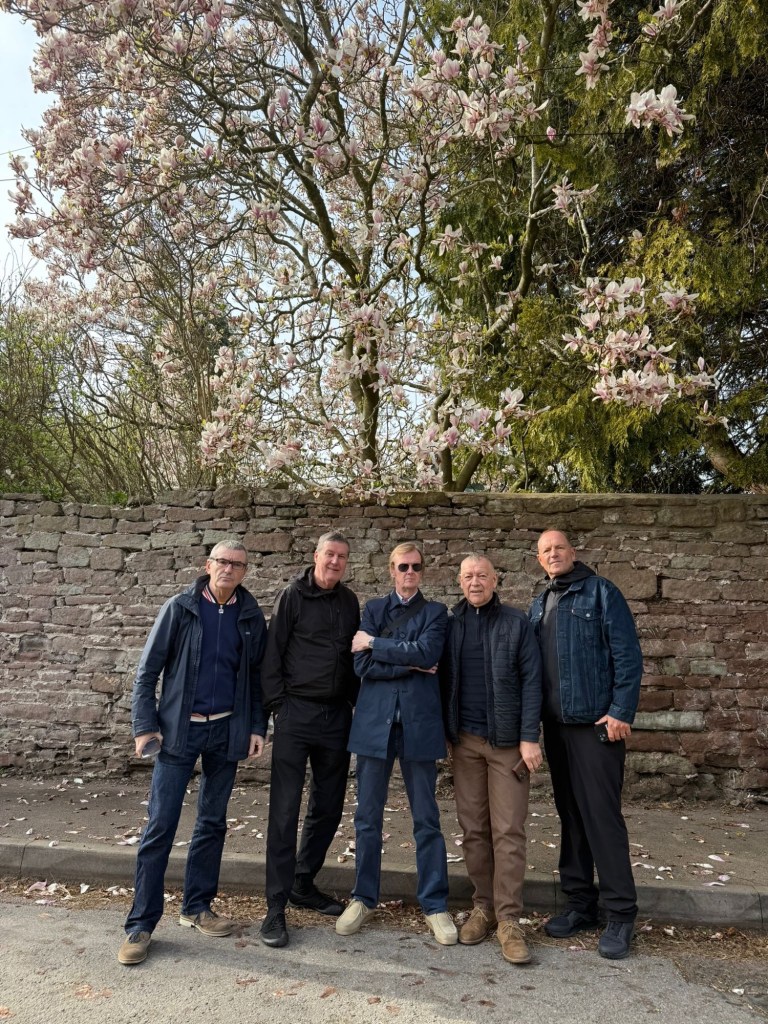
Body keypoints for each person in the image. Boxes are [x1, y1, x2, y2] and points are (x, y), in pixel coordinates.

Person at [119, 538, 267, 966]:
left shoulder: (250, 616)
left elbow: (256, 679)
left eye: (237, 564)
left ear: (244, 571)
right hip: (178, 733)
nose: (229, 569)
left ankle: (197, 906)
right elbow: (147, 672)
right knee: (161, 824)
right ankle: (140, 925)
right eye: (222, 562)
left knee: (212, 822)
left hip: (226, 731)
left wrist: (257, 727)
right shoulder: (180, 609)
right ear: (208, 564)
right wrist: (145, 726)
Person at [529, 529, 643, 960]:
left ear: (573, 553)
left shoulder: (601, 593)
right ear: (539, 560)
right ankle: (581, 904)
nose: (553, 554)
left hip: (596, 727)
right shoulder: (541, 602)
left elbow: (627, 655)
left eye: (559, 547)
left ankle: (621, 914)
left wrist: (621, 711)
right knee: (571, 816)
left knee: (601, 818)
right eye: (545, 550)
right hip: (556, 729)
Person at [337, 542, 456, 945]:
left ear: (423, 571)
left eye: (416, 566)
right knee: (367, 817)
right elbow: (361, 665)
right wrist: (414, 665)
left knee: (427, 818)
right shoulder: (373, 610)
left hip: (419, 726)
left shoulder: (436, 612)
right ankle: (363, 897)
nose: (409, 573)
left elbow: (429, 651)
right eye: (403, 566)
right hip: (375, 726)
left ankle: (435, 904)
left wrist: (376, 645)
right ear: (391, 569)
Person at [259, 531, 360, 948]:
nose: (335, 562)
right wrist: (278, 707)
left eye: (342, 556)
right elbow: (272, 652)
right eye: (329, 554)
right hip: (296, 713)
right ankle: (275, 906)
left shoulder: (349, 601)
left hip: (336, 715)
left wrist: (354, 704)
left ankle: (303, 882)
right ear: (316, 555)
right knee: (284, 810)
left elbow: (353, 656)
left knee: (328, 805)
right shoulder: (292, 596)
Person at [440, 554, 543, 964]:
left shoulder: (516, 623)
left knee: (508, 830)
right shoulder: (450, 625)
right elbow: (440, 680)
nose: (475, 582)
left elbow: (533, 681)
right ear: (459, 582)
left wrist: (529, 738)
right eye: (468, 576)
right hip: (465, 743)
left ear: (495, 580)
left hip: (507, 745)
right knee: (473, 829)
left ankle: (509, 919)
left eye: (482, 575)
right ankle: (483, 907)